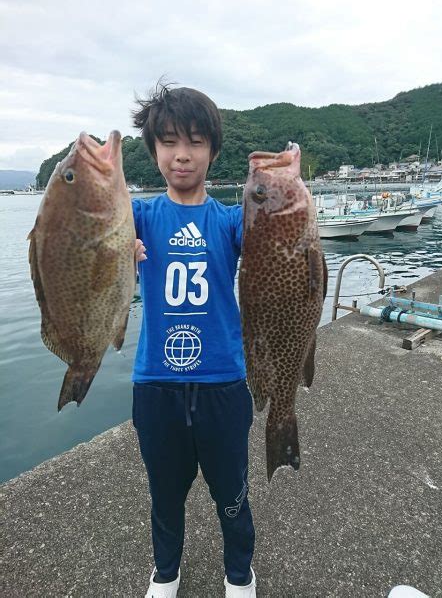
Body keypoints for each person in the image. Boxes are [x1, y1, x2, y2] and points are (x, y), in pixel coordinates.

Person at [130, 82, 256, 598]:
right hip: (155, 384)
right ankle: (165, 572)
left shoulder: (230, 221)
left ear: (214, 151)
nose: (182, 155)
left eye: (197, 141)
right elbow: (85, 238)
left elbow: (277, 242)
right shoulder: (137, 216)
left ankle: (239, 573)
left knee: (232, 493)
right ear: (154, 150)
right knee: (165, 494)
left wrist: (291, 201)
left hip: (224, 382)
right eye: (168, 142)